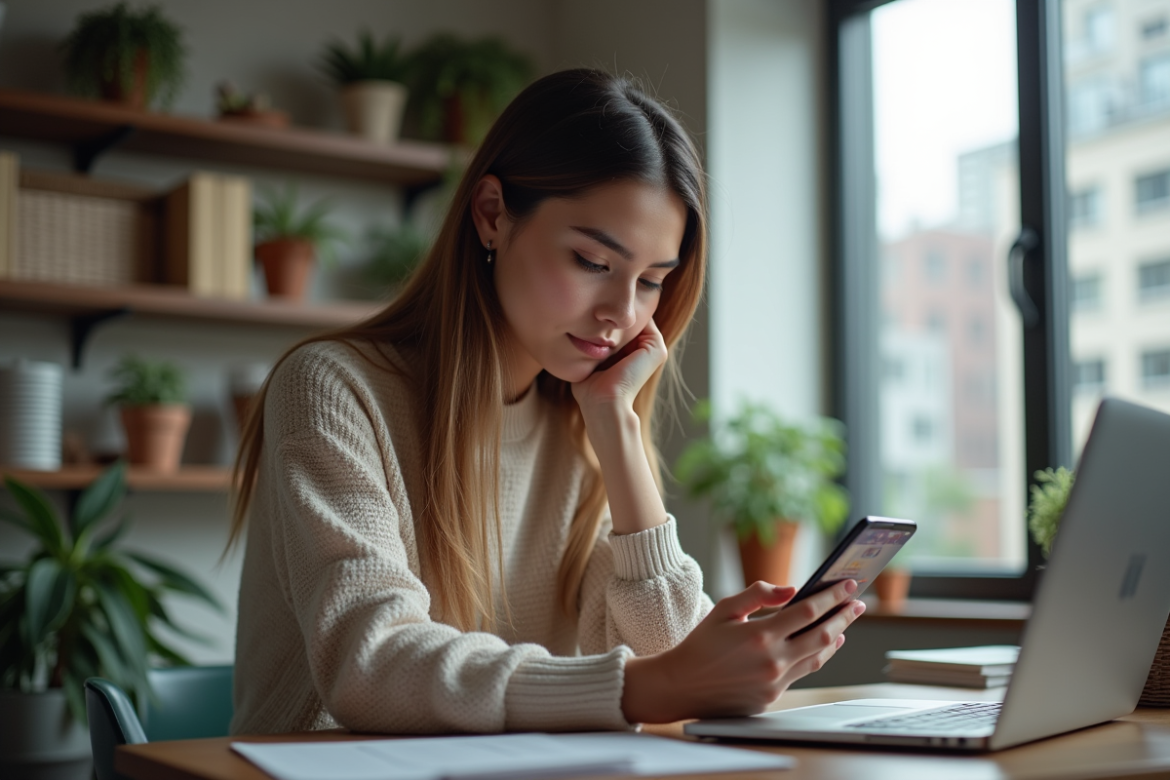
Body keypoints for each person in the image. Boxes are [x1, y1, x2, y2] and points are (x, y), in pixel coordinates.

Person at [227, 68, 864, 736]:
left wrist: (616, 427)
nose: (622, 312)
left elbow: (671, 656)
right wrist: (655, 684)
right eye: (593, 261)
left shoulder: (581, 422)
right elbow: (372, 666)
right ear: (492, 215)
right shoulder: (334, 389)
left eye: (650, 281)